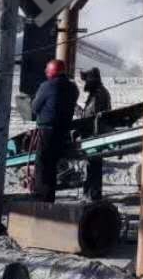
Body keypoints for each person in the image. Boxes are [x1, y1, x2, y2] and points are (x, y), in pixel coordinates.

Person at [29, 59, 79, 202]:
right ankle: (49, 198)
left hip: (47, 130)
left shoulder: (47, 86)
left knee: (42, 164)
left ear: (51, 71)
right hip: (63, 131)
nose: (45, 72)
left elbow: (34, 107)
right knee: (52, 165)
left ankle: (41, 198)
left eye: (47, 69)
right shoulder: (72, 87)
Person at [79, 67, 112, 201]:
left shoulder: (98, 95)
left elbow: (93, 117)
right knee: (92, 165)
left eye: (87, 80)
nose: (85, 84)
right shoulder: (98, 93)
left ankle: (93, 194)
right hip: (94, 135)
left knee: (94, 165)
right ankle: (91, 192)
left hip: (94, 136)